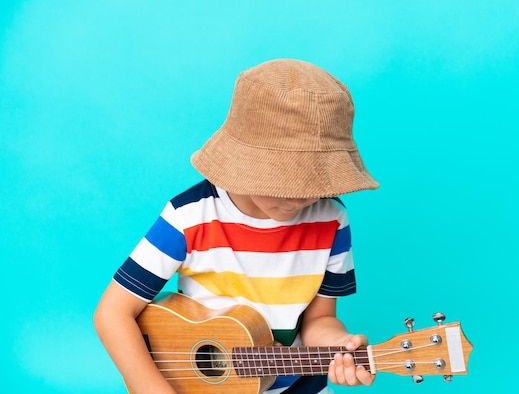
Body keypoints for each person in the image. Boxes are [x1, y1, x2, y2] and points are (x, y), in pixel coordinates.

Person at [94, 58, 379, 394]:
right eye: (282, 182)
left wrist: (340, 346)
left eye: (312, 184)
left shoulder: (332, 219)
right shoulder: (189, 216)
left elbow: (320, 320)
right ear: (244, 161)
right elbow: (112, 314)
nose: (298, 200)